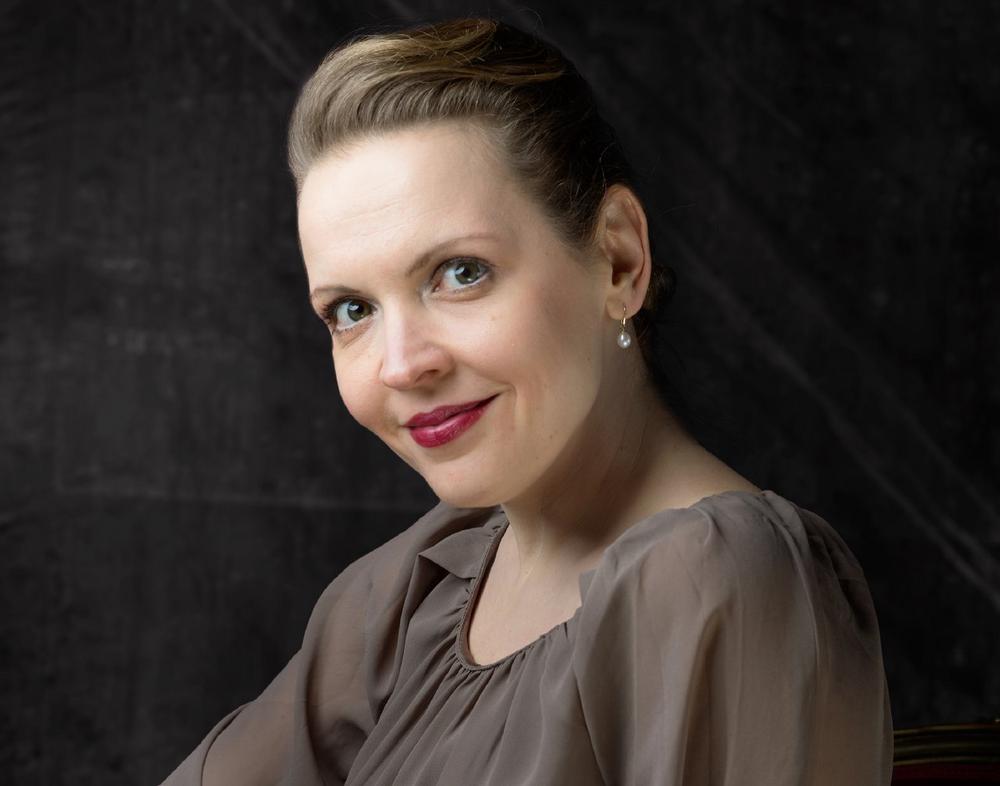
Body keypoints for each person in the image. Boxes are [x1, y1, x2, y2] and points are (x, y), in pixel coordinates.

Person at [161, 16, 894, 785]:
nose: (401, 365)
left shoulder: (724, 581)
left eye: (460, 273)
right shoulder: (413, 590)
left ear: (618, 259)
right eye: (352, 310)